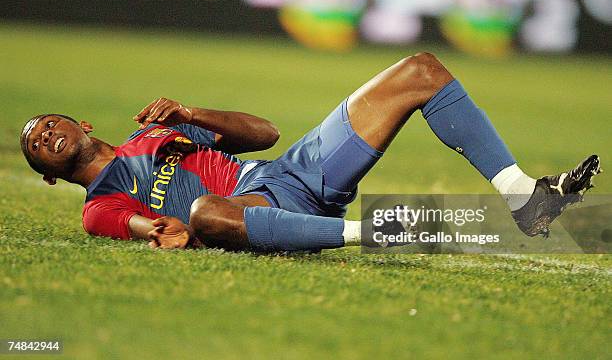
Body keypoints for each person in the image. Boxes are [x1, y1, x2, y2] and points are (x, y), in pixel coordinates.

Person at [20, 53, 601, 252]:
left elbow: (266, 132)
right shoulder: (100, 206)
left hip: (291, 173)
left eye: (47, 123)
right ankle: (367, 233)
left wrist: (191, 114)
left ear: (80, 122)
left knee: (422, 71)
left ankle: (523, 197)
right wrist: (158, 229)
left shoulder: (154, 135)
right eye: (35, 145)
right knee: (204, 214)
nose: (45, 134)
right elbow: (162, 229)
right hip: (249, 214)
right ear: (48, 175)